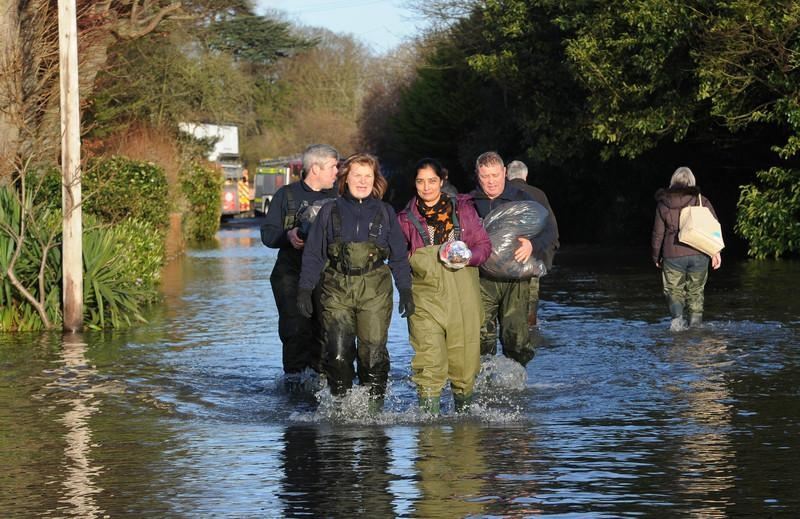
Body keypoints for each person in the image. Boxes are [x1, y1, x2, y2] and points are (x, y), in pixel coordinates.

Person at [297, 153, 413, 411]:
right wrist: (305, 289)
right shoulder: (329, 211)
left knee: (372, 355)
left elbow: (399, 256)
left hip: (375, 288)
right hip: (336, 286)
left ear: (375, 180)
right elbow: (314, 253)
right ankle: (341, 409)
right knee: (337, 354)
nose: (362, 181)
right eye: (357, 175)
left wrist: (405, 289)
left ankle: (373, 410)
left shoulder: (386, 212)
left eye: (367, 176)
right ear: (345, 178)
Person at [398, 158, 492, 414]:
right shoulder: (404, 219)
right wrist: (403, 288)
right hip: (425, 299)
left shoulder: (463, 210)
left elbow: (484, 247)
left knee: (464, 365)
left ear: (442, 181)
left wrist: (469, 257)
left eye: (431, 180)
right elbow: (396, 258)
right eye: (420, 181)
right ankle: (429, 432)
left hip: (463, 298)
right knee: (428, 363)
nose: (426, 187)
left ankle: (464, 421)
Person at [470, 151, 558, 367]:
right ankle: (485, 382)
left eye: (495, 175)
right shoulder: (470, 203)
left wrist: (532, 245)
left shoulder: (522, 198)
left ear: (505, 173)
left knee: (516, 338)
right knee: (481, 336)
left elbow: (549, 232)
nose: (491, 181)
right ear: (477, 176)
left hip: (516, 278)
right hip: (482, 279)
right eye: (485, 176)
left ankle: (518, 382)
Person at [260, 144, 339, 385]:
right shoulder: (286, 195)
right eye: (334, 167)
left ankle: (324, 384)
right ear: (315, 168)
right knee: (295, 331)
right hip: (291, 274)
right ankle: (294, 387)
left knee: (328, 332)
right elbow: (267, 234)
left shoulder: (339, 197)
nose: (337, 172)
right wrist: (289, 236)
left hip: (328, 274)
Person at [651, 166, 722, 330]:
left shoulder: (663, 203)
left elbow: (657, 234)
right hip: (699, 251)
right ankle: (696, 327)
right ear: (692, 182)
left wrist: (656, 257)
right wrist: (716, 251)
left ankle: (677, 324)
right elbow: (713, 227)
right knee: (696, 291)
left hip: (672, 253)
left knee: (673, 290)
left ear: (673, 181)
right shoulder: (701, 200)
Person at [506, 160, 560, 327]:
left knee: (507, 301)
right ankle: (530, 328)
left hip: (505, 258)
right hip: (533, 256)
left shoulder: (502, 193)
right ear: (526, 175)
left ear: (506, 175)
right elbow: (551, 229)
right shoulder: (539, 194)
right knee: (531, 298)